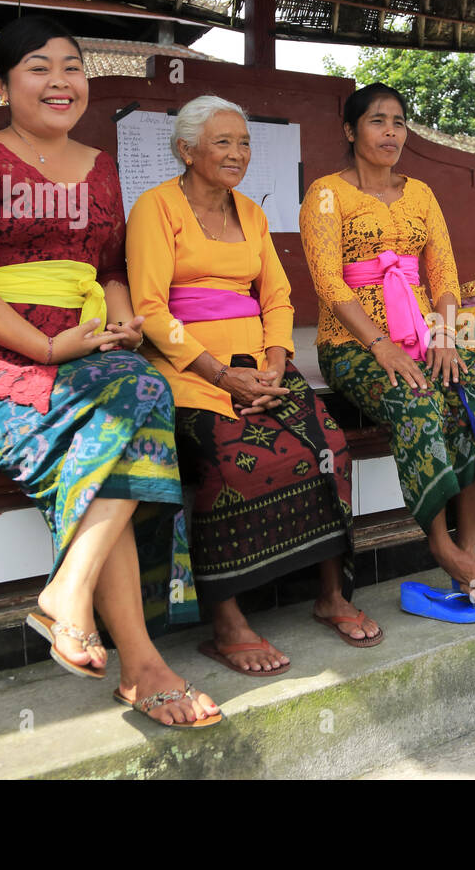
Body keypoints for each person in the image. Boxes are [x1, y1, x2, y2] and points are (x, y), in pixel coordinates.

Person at [0, 15, 220, 727]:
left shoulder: (102, 166)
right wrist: (48, 348)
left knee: (139, 386)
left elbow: (110, 269)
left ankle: (71, 590)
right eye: (39, 68)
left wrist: (119, 323)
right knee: (131, 410)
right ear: (2, 82)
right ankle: (141, 659)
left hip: (82, 346)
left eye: (72, 67)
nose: (61, 82)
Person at [127, 95, 382, 676]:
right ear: (186, 150)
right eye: (222, 142)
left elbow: (277, 295)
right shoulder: (155, 208)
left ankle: (330, 595)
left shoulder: (252, 212)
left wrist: (273, 364)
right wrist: (222, 376)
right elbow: (148, 307)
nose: (237, 153)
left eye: (243, 142)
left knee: (328, 447)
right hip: (191, 368)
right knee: (235, 461)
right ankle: (227, 622)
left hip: (260, 364)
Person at [299, 82, 475, 617]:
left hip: (423, 333)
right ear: (351, 131)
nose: (391, 132)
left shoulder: (419, 193)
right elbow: (329, 283)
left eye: (398, 121)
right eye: (377, 121)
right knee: (417, 406)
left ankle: (468, 558)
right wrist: (380, 347)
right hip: (353, 343)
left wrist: (443, 334)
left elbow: (444, 274)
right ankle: (440, 547)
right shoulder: (327, 193)